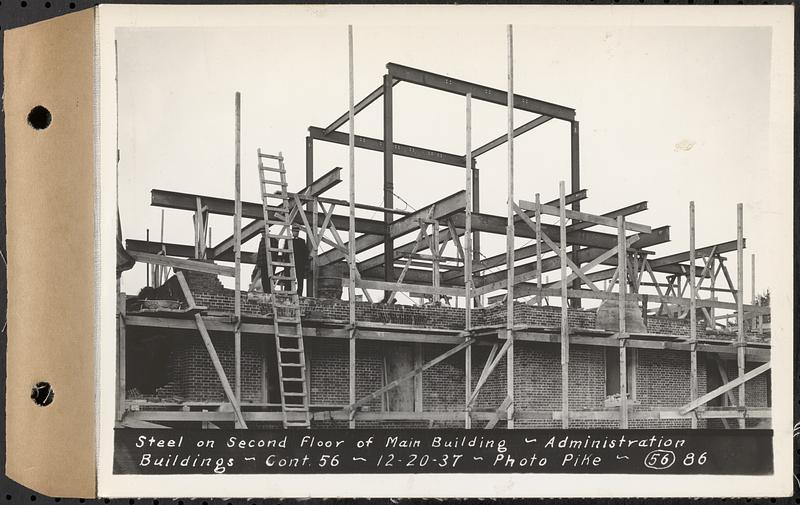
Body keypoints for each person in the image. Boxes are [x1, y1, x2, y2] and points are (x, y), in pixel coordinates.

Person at [288, 225, 309, 296]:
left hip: (300, 264)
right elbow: (285, 252)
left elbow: (305, 253)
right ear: (292, 232)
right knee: (290, 278)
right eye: (294, 231)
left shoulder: (302, 241)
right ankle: (289, 292)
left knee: (300, 278)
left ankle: (299, 293)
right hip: (291, 263)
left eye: (297, 232)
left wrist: (305, 263)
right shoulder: (289, 240)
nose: (295, 233)